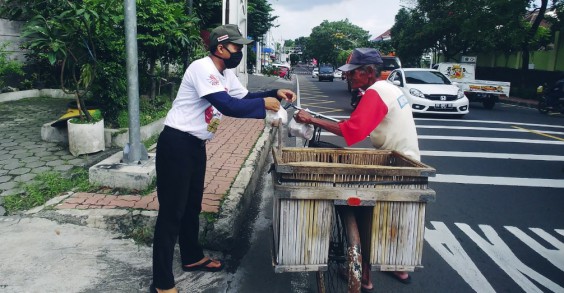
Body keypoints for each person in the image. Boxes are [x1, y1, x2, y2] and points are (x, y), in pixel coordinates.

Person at [150, 24, 296, 293]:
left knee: (192, 206)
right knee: (172, 213)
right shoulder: (201, 68)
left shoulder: (225, 73)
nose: (240, 51)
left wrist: (273, 93)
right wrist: (264, 106)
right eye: (236, 47)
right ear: (220, 48)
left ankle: (192, 258)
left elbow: (245, 97)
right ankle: (161, 282)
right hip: (177, 144)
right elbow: (227, 106)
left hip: (195, 145)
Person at [294, 47, 417, 292]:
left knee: (362, 211)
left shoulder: (376, 92)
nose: (347, 77)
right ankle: (399, 266)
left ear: (369, 72)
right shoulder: (390, 88)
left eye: (353, 73)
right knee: (394, 216)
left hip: (394, 163)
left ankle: (364, 276)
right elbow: (358, 124)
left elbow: (352, 131)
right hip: (406, 159)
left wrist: (311, 120)